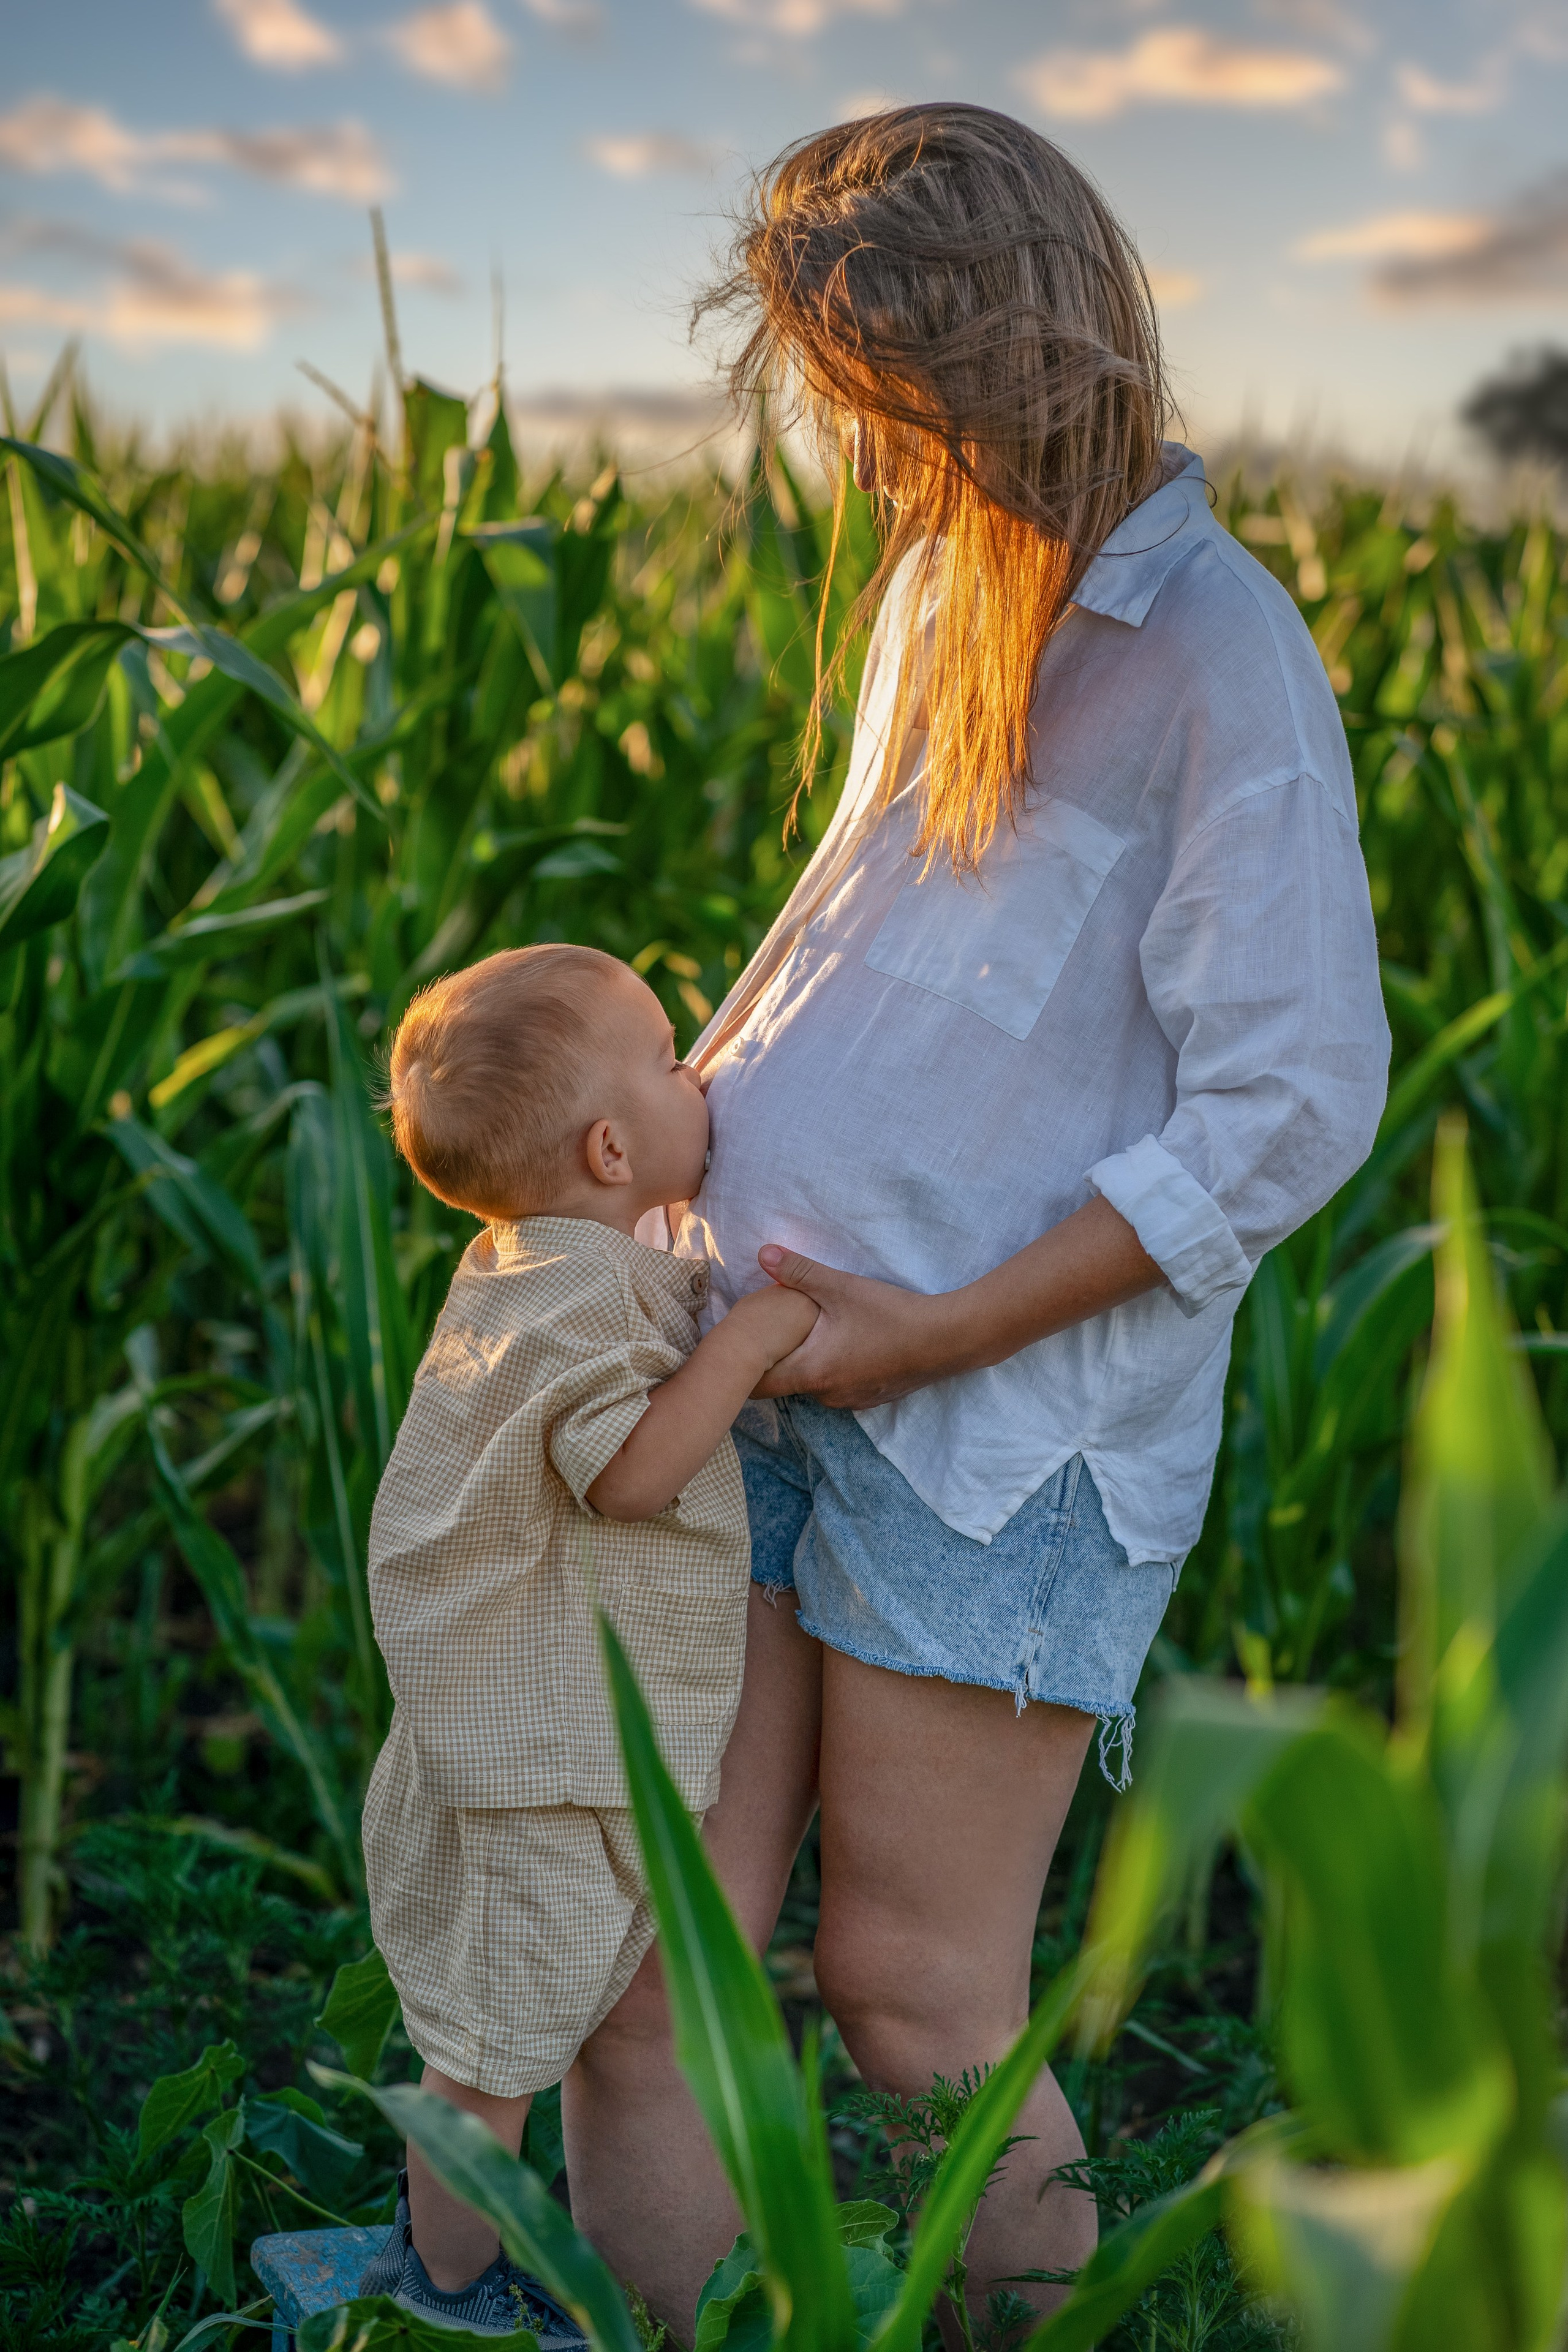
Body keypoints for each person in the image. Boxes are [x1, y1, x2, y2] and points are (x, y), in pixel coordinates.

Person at [560, 105, 1392, 2332]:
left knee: (912, 1992)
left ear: (1010, 349)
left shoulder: (1218, 653)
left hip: (997, 1437)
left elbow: (1291, 1104)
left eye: (886, 394)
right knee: (649, 1960)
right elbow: (884, 955)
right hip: (753, 1366)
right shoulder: (949, 584)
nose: (861, 450)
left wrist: (932, 1333)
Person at [355, 944, 816, 2336]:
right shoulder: (581, 1301)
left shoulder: (527, 1265)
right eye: (674, 1058)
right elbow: (628, 1475)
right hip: (537, 1773)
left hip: (519, 1744)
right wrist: (748, 1343)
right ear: (612, 1150)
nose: (703, 1075)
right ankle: (446, 2292)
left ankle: (445, 2249)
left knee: (507, 2024)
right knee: (495, 2051)